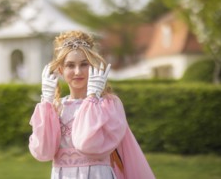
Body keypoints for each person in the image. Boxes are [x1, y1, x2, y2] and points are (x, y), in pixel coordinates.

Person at [28, 30, 155, 179]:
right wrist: (46, 102)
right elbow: (44, 152)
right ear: (61, 70)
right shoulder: (54, 108)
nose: (77, 71)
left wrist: (92, 97)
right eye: (70, 65)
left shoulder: (108, 104)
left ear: (94, 67)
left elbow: (88, 145)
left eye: (84, 64)